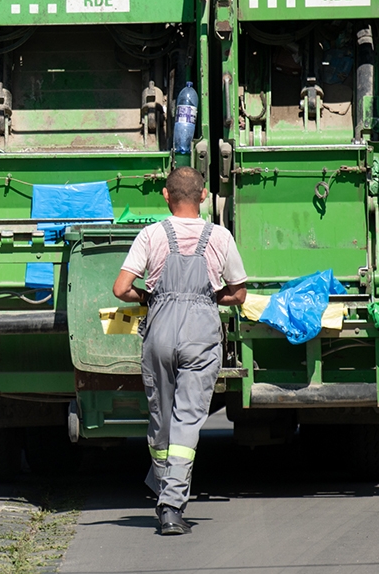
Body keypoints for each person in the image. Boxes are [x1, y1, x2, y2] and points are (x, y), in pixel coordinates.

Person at [111, 166, 247, 536]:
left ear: (166, 197)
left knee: (161, 415)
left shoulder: (151, 234)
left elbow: (121, 288)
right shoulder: (220, 237)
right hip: (201, 330)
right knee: (188, 418)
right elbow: (239, 293)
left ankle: (161, 485)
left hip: (160, 328)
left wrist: (150, 296)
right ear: (203, 197)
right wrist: (211, 297)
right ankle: (171, 505)